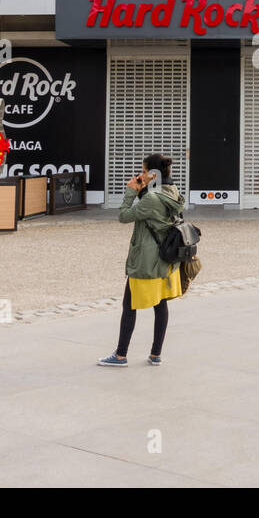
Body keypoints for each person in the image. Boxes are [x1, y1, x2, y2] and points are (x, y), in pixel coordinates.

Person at [98, 153, 184, 367]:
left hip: (146, 260)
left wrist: (130, 191)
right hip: (164, 260)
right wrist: (143, 189)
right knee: (160, 304)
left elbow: (124, 216)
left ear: (153, 174)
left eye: (144, 172)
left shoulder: (151, 199)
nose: (141, 175)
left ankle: (120, 355)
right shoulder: (171, 192)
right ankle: (156, 354)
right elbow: (152, 208)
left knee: (129, 306)